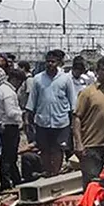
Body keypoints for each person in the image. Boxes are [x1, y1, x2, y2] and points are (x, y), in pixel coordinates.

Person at [26, 49, 77, 177]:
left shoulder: (66, 79)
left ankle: (55, 172)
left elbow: (72, 102)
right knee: (44, 149)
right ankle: (48, 172)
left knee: (58, 149)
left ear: (59, 63)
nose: (50, 64)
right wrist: (29, 118)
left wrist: (73, 121)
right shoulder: (38, 79)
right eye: (48, 61)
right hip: (43, 121)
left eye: (53, 61)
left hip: (61, 121)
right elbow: (32, 100)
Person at [72, 57, 104, 189]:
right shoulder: (87, 93)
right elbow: (76, 118)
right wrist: (78, 143)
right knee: (92, 184)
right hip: (91, 146)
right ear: (97, 72)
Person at [0, 69, 25, 190]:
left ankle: (15, 179)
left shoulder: (1, 89)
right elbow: (11, 112)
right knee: (9, 156)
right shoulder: (8, 93)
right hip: (10, 126)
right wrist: (22, 114)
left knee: (9, 156)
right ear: (15, 80)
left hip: (4, 125)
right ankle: (6, 183)